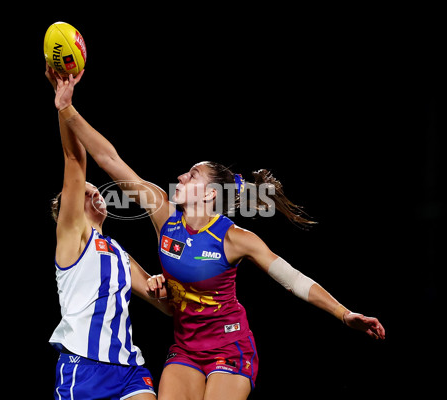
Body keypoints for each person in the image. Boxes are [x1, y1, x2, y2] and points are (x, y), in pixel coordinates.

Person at [53, 70, 386, 400]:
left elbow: (294, 280)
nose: (181, 177)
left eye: (192, 174)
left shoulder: (235, 238)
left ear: (211, 194)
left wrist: (344, 314)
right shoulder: (163, 214)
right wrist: (67, 108)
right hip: (185, 350)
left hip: (230, 347)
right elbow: (109, 159)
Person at [45, 66, 171, 400]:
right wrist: (64, 107)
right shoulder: (73, 238)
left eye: (94, 190)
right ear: (69, 211)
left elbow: (167, 306)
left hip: (129, 369)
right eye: (84, 194)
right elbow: (75, 159)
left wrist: (163, 285)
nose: (95, 194)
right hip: (84, 368)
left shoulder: (118, 253)